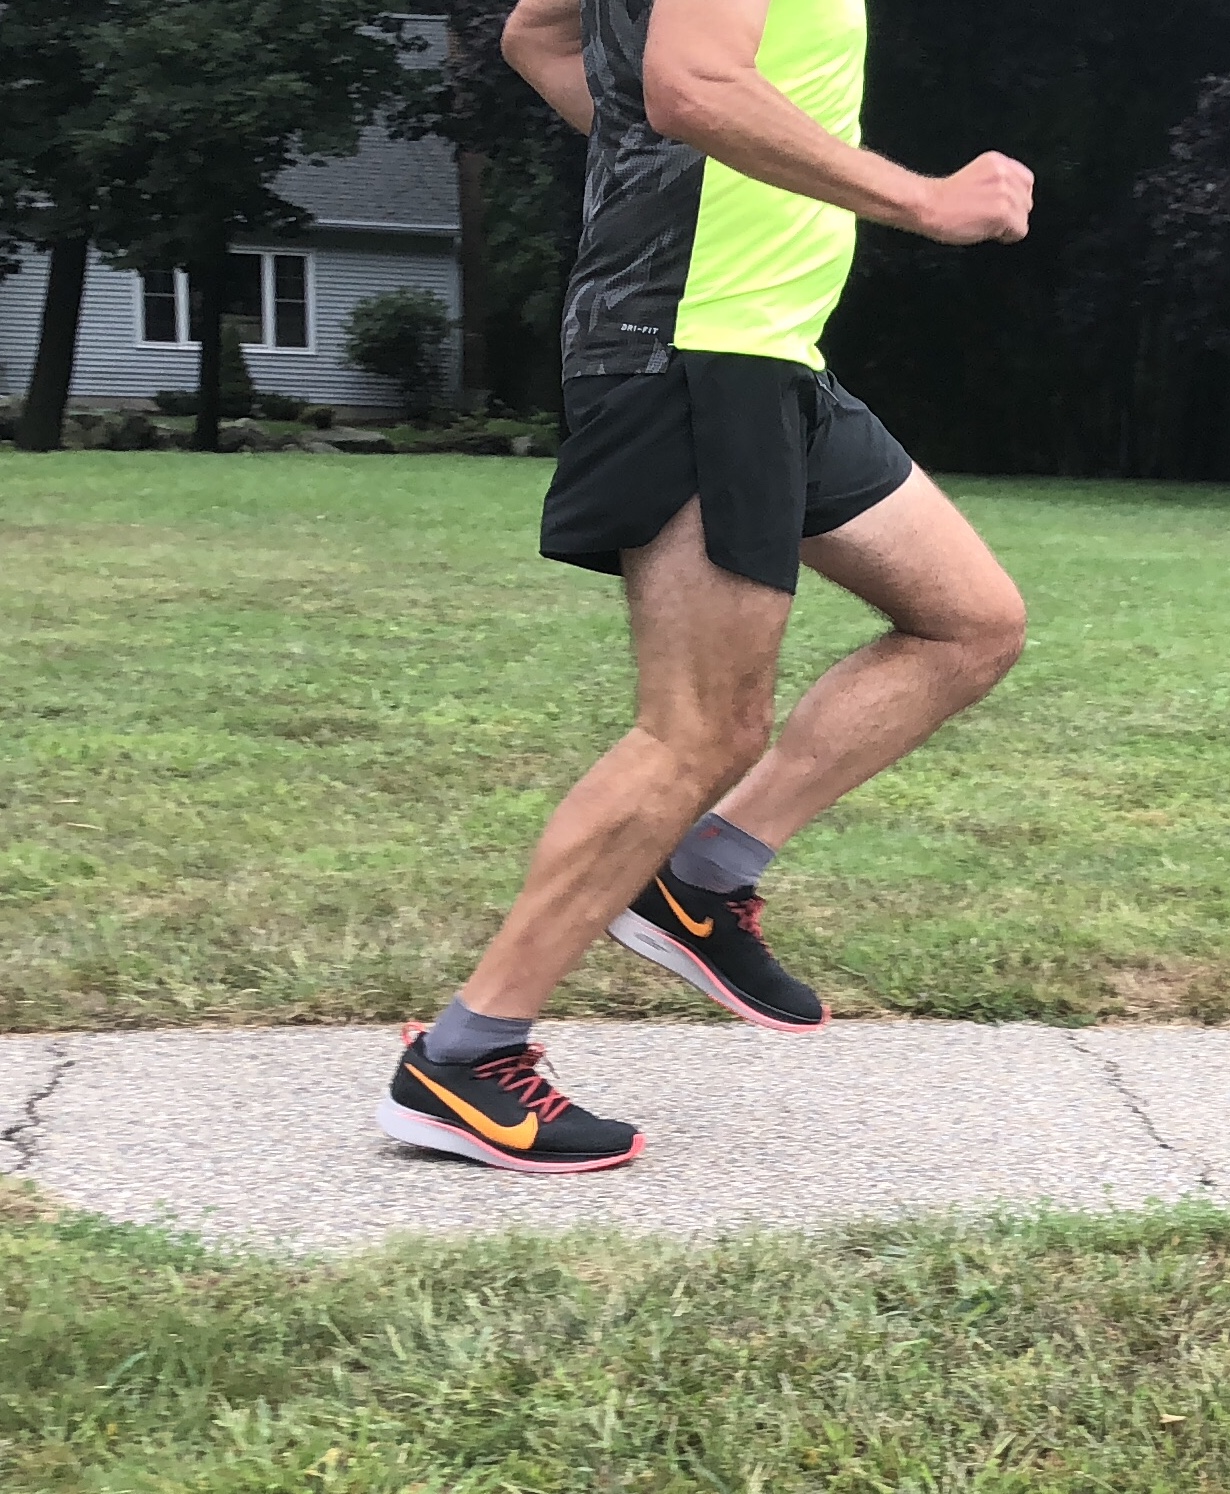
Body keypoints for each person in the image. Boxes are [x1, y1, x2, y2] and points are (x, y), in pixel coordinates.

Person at [376, 0, 1034, 1173]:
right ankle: (465, 1058)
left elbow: (537, 32)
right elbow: (688, 88)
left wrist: (664, 155)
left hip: (769, 355)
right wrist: (924, 201)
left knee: (969, 622)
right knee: (697, 730)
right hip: (692, 348)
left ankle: (701, 879)